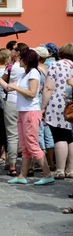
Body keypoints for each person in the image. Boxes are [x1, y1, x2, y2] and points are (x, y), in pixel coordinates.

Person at [0, 49, 54, 185]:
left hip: (30, 112)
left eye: (20, 58)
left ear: (26, 60)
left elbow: (32, 93)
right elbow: (8, 87)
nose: (18, 60)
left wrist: (15, 88)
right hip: (22, 112)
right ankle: (22, 175)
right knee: (24, 146)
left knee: (32, 144)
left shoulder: (34, 72)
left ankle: (47, 174)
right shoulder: (24, 74)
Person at [42, 43, 73, 179]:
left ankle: (60, 170)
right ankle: (70, 169)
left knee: (60, 136)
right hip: (71, 104)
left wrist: (43, 107)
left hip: (58, 104)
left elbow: (48, 87)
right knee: (71, 138)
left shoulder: (55, 65)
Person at [2, 43, 26, 176]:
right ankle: (29, 165)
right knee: (25, 134)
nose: (11, 51)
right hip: (26, 102)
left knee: (12, 135)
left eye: (13, 50)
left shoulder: (12, 67)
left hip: (12, 100)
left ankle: (12, 165)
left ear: (17, 53)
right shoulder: (31, 68)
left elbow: (5, 82)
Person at [33, 46, 55, 171]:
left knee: (39, 132)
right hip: (49, 103)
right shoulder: (50, 68)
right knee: (48, 133)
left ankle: (42, 162)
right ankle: (51, 162)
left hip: (40, 103)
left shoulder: (37, 70)